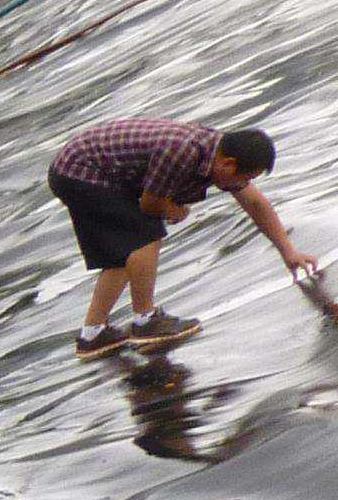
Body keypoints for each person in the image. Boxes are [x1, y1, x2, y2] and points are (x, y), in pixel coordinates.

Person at [49, 117, 320, 354]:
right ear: (228, 164)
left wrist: (288, 251)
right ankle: (146, 320)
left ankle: (93, 334)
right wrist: (175, 209)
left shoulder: (217, 153)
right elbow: (150, 204)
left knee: (121, 255)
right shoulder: (182, 152)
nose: (243, 185)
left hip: (93, 170)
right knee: (145, 235)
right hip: (80, 170)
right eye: (245, 177)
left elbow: (255, 203)